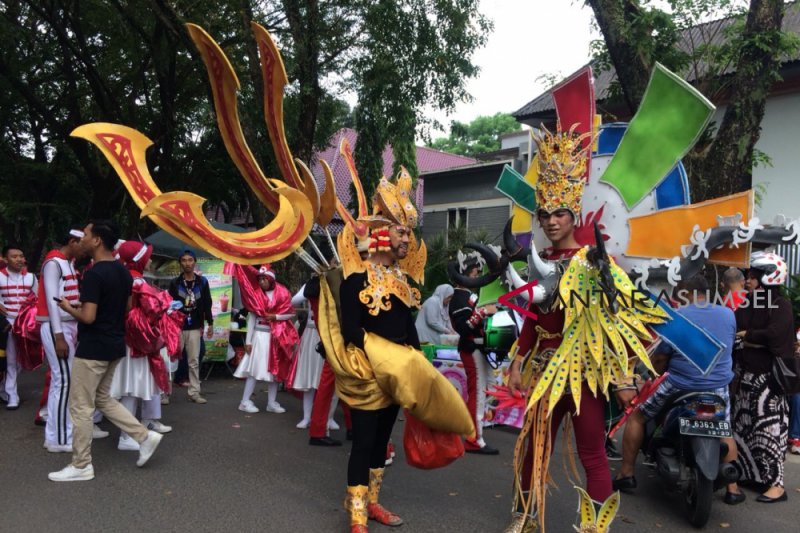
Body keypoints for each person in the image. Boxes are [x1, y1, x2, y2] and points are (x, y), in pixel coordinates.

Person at [48, 220, 163, 481]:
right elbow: (125, 307)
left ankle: (81, 465)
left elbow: (88, 318)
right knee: (102, 399)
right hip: (114, 345)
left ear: (98, 240)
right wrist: (89, 306)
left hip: (92, 349)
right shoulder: (123, 272)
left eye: (86, 234)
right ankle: (144, 436)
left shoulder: (94, 274)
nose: (82, 238)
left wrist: (68, 308)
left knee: (80, 407)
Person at [612, 274, 741, 503]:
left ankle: (627, 473)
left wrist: (650, 375)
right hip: (718, 387)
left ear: (687, 293)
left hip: (681, 384)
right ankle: (733, 489)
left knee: (637, 417)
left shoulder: (677, 317)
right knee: (725, 429)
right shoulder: (728, 314)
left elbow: (661, 358)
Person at [728, 251, 794, 503]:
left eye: (753, 277)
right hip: (744, 377)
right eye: (748, 276)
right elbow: (734, 328)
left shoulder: (781, 305)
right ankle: (752, 475)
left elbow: (775, 336)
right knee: (744, 429)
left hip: (768, 381)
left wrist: (748, 337)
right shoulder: (749, 303)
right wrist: (750, 338)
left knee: (769, 432)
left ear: (768, 277)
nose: (747, 281)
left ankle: (776, 486)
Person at [111, 241, 177, 451]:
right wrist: (165, 304)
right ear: (138, 259)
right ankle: (126, 436)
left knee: (132, 388)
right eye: (147, 256)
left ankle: (133, 430)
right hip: (137, 343)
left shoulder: (122, 277)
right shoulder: (136, 280)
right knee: (131, 388)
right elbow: (151, 309)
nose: (150, 259)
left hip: (129, 340)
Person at [36, 228, 92, 452]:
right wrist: (58, 335)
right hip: (56, 326)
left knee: (64, 381)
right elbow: (52, 302)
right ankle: (58, 439)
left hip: (66, 325)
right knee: (64, 382)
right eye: (82, 243)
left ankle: (59, 433)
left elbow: (63, 299)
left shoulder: (66, 262)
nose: (85, 248)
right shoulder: (53, 263)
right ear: (72, 241)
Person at [233, 264, 298, 414]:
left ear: (270, 279)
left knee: (274, 372)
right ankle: (244, 401)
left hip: (276, 337)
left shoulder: (282, 293)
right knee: (253, 370)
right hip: (259, 336)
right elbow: (251, 319)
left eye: (264, 279)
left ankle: (272, 402)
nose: (261, 282)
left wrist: (276, 317)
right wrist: (248, 341)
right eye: (260, 279)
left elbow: (290, 313)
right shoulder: (256, 295)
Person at [449, 264, 499, 455]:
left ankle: (477, 429)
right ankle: (474, 439)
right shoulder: (458, 298)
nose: (477, 275)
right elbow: (463, 327)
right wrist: (483, 312)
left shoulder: (469, 295)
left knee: (488, 390)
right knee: (478, 393)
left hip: (482, 348)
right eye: (474, 272)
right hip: (472, 349)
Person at [168, 250, 213, 404]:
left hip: (194, 326)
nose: (187, 263)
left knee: (193, 361)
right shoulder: (175, 283)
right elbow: (169, 306)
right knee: (172, 359)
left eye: (190, 260)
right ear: (180, 263)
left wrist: (210, 323)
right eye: (184, 260)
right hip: (177, 327)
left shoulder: (202, 282)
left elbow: (208, 303)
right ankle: (165, 393)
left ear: (195, 262)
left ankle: (194, 392)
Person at [0, 244, 38, 410]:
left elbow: (37, 299)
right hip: (8, 323)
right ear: (5, 259)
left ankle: (4, 388)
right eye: (14, 256)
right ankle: (12, 395)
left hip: (26, 325)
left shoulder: (31, 277)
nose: (19, 259)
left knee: (21, 361)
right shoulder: (0, 277)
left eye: (21, 256)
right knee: (11, 360)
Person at [290, 275, 325, 428]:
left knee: (327, 378)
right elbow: (293, 301)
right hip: (311, 333)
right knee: (309, 375)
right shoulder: (311, 283)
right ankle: (306, 417)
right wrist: (309, 286)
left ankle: (327, 418)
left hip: (329, 334)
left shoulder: (338, 281)